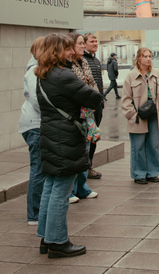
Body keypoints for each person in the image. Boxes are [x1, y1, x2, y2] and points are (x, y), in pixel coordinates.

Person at [35, 33, 102, 258]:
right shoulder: (64, 75)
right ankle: (58, 241)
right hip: (65, 138)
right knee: (60, 192)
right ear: (56, 51)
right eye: (67, 49)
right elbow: (94, 97)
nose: (72, 52)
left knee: (51, 187)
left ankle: (46, 238)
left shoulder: (43, 74)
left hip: (51, 136)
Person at [122, 47, 159, 184]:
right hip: (138, 115)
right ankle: (139, 174)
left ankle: (152, 172)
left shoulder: (157, 74)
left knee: (153, 144)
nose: (148, 59)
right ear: (139, 58)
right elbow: (125, 98)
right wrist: (132, 114)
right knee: (138, 145)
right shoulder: (131, 75)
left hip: (154, 113)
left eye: (150, 56)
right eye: (145, 56)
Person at [68, 33, 99, 202]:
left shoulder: (84, 62)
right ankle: (71, 190)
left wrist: (95, 99)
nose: (82, 46)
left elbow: (92, 83)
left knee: (86, 149)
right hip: (76, 113)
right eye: (79, 43)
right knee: (78, 150)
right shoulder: (68, 65)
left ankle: (82, 187)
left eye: (82, 43)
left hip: (88, 111)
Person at [18, 36, 45, 226]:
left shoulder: (38, 70)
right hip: (35, 125)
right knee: (38, 168)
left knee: (40, 168)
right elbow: (38, 100)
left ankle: (37, 210)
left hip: (38, 124)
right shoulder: (34, 72)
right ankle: (34, 214)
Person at [83, 33, 105, 180]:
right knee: (88, 138)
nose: (95, 43)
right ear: (84, 44)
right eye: (92, 41)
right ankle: (86, 167)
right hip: (88, 107)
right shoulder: (82, 61)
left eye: (96, 41)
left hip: (98, 105)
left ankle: (90, 165)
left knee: (94, 137)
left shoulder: (96, 60)